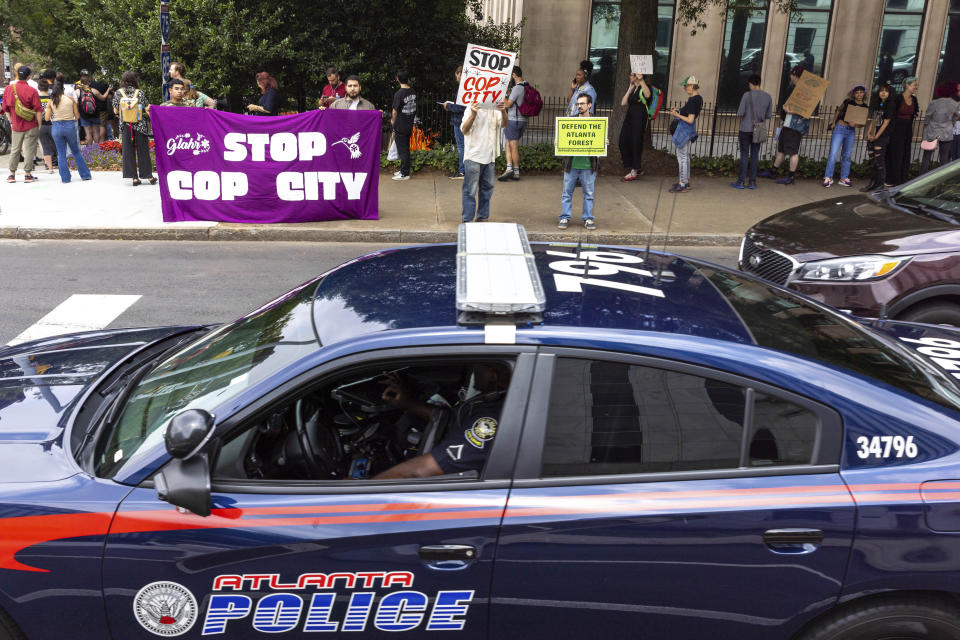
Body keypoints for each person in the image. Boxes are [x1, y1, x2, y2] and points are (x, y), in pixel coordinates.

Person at [374, 364, 509, 479]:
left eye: (480, 365)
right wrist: (408, 403)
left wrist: (361, 488)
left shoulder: (491, 419)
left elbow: (421, 470)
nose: (474, 370)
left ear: (494, 375)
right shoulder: (489, 401)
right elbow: (450, 419)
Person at [759, 65, 809, 185]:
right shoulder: (793, 89)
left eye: (793, 75)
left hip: (795, 126)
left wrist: (791, 111)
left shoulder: (804, 91)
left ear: (796, 76)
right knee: (782, 149)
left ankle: (791, 176)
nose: (792, 77)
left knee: (793, 151)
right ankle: (773, 171)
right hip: (787, 123)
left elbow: (807, 110)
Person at [558, 93, 601, 230]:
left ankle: (588, 218)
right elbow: (562, 139)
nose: (579, 106)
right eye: (577, 104)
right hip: (572, 165)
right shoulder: (570, 121)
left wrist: (604, 142)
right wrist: (558, 142)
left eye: (582, 104)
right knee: (566, 193)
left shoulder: (597, 123)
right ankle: (565, 217)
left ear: (589, 105)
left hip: (589, 165)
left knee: (589, 194)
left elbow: (601, 141)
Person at [460, 100, 507, 222]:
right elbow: (464, 130)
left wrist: (503, 110)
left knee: (487, 189)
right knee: (470, 190)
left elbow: (504, 124)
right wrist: (473, 114)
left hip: (489, 156)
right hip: (474, 156)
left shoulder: (494, 109)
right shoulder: (471, 107)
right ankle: (468, 220)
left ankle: (482, 217)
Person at [113, 70, 155, 186]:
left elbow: (115, 111)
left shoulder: (118, 93)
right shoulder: (140, 93)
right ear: (135, 80)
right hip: (140, 125)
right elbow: (147, 108)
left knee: (128, 151)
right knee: (143, 150)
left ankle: (134, 178)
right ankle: (149, 176)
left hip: (126, 126)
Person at [2, 65, 42, 183]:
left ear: (17, 75)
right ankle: (28, 175)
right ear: (29, 77)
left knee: (15, 149)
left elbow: (5, 108)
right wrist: (39, 124)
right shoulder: (32, 91)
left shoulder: (9, 89)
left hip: (16, 125)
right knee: (29, 149)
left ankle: (11, 175)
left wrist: (11, 120)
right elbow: (38, 110)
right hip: (31, 124)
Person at [44, 81, 91, 184]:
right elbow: (77, 116)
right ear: (63, 90)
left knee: (61, 154)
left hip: (56, 128)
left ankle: (65, 178)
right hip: (69, 126)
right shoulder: (70, 100)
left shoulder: (51, 101)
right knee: (76, 151)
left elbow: (47, 118)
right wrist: (74, 103)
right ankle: (85, 175)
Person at [823, 84, 869, 187]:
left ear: (864, 94)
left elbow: (863, 123)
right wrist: (834, 123)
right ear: (853, 94)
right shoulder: (848, 102)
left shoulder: (865, 107)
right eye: (857, 92)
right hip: (840, 128)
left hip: (851, 131)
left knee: (847, 155)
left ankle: (844, 178)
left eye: (861, 92)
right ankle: (828, 177)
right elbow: (838, 110)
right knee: (833, 153)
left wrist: (856, 125)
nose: (859, 94)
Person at [731, 74, 771, 190]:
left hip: (745, 128)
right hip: (759, 129)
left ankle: (741, 182)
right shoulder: (768, 97)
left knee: (744, 155)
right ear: (759, 83)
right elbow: (768, 115)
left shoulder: (746, 95)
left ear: (751, 84)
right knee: (755, 155)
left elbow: (740, 112)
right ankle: (752, 182)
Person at [667, 75, 702, 193]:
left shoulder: (692, 101)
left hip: (685, 130)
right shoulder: (698, 98)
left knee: (681, 157)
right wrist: (679, 110)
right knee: (685, 156)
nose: (685, 88)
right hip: (689, 130)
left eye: (686, 86)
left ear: (692, 86)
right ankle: (685, 182)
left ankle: (682, 184)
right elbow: (689, 113)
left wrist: (677, 115)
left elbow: (690, 119)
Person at [862, 83, 896, 192]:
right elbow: (873, 120)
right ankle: (872, 182)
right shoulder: (877, 103)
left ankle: (880, 185)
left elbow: (886, 123)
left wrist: (876, 136)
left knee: (879, 161)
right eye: (881, 90)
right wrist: (869, 133)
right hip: (873, 135)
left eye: (886, 91)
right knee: (872, 160)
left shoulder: (890, 105)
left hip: (882, 136)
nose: (883, 92)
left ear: (889, 93)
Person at [618, 72, 652, 182]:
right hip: (630, 118)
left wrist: (641, 81)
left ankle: (634, 169)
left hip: (639, 118)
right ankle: (635, 166)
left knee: (635, 142)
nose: (630, 76)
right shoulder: (633, 89)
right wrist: (630, 87)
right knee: (623, 140)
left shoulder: (646, 87)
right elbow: (623, 103)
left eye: (632, 74)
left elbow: (647, 95)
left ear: (638, 76)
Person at [885, 77, 919, 186]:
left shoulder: (914, 100)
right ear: (907, 86)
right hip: (896, 130)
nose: (916, 87)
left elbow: (914, 114)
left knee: (905, 153)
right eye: (914, 85)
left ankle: (902, 179)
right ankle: (892, 179)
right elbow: (891, 115)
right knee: (895, 154)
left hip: (907, 129)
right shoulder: (898, 98)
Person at [919, 81, 957, 174]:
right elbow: (954, 118)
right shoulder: (955, 104)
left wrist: (926, 125)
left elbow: (928, 116)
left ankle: (921, 177)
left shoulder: (934, 103)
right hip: (947, 132)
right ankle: (942, 179)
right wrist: (950, 124)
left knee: (926, 157)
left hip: (932, 131)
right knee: (944, 158)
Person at [500, 66, 528, 182]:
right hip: (522, 120)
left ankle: (514, 171)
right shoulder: (526, 86)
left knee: (513, 146)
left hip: (514, 120)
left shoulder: (518, 87)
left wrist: (502, 96)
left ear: (515, 75)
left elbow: (508, 104)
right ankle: (510, 169)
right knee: (508, 143)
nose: (510, 77)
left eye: (511, 75)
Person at [391, 69, 417, 181]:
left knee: (403, 150)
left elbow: (394, 111)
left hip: (400, 125)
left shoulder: (399, 94)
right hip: (409, 123)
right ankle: (403, 170)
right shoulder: (413, 91)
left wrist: (393, 120)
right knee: (405, 147)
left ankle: (405, 174)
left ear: (397, 79)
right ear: (408, 79)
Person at [443, 66, 467, 179]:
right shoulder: (469, 88)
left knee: (462, 147)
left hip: (459, 121)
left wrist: (448, 106)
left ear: (460, 74)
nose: (456, 78)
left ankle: (462, 171)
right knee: (465, 146)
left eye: (457, 75)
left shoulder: (463, 89)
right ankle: (465, 170)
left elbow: (460, 107)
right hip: (465, 120)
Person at [36, 78, 56, 174]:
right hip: (53, 124)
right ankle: (59, 163)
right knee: (56, 145)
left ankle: (50, 168)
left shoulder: (36, 98)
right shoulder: (52, 98)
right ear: (48, 87)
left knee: (45, 146)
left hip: (41, 125)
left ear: (38, 87)